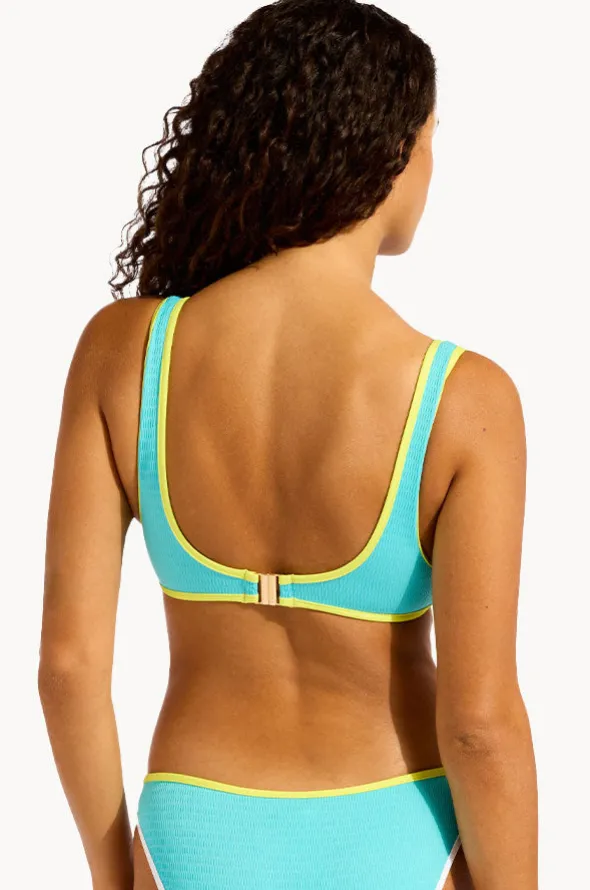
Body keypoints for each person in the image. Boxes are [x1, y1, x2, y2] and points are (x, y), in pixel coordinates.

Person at [38, 1, 538, 888]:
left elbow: (69, 669)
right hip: (398, 827)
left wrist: (119, 874)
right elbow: (479, 725)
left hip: (195, 832)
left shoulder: (124, 355)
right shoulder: (463, 401)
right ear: (388, 149)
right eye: (432, 138)